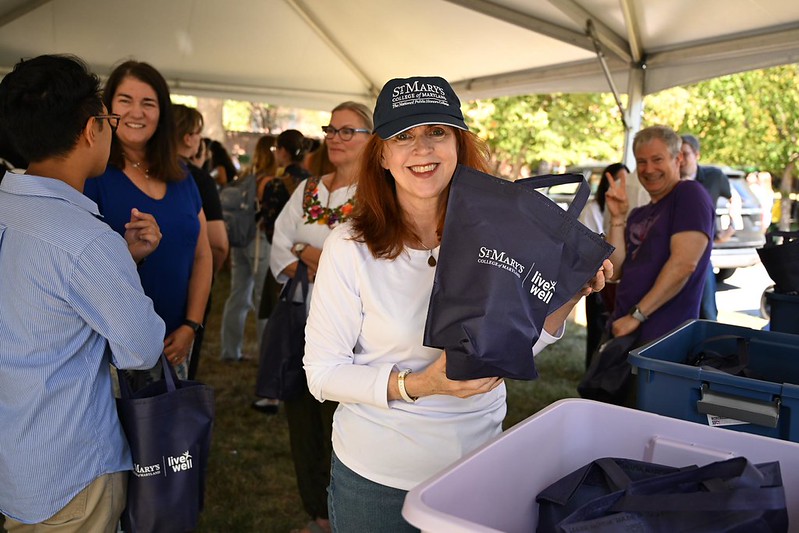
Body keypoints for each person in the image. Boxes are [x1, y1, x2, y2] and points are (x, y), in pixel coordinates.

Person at [303, 76, 610, 532]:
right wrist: (422, 384)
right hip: (378, 481)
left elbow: (511, 346)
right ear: (383, 155)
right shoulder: (349, 247)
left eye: (436, 132)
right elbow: (322, 375)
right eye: (403, 136)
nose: (421, 149)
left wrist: (568, 297)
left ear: (459, 145)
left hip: (478, 465)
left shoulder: (502, 236)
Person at [0, 54, 165, 531]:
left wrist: (119, 263)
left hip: (15, 458)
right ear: (93, 128)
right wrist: (120, 268)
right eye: (110, 118)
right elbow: (140, 348)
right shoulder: (86, 239)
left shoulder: (9, 204)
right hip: (68, 472)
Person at [269, 101, 373, 533]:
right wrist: (316, 256)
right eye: (331, 129)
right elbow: (279, 244)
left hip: (354, 331)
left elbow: (368, 259)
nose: (335, 137)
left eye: (348, 131)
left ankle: (344, 512)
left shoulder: (378, 194)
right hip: (299, 319)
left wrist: (309, 252)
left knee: (342, 419)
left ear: (372, 139)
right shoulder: (308, 189)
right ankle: (317, 512)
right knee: (302, 414)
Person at [84, 60, 213, 383]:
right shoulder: (93, 175)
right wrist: (130, 254)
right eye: (125, 101)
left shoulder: (183, 177)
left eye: (148, 103)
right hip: (113, 349)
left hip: (176, 342)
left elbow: (203, 254)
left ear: (162, 113)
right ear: (108, 107)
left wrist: (191, 325)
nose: (136, 112)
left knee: (171, 430)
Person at [605, 125, 714, 350]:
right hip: (626, 331)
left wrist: (637, 316)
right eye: (642, 161)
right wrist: (618, 218)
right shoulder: (638, 214)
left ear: (678, 159)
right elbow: (614, 272)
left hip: (662, 338)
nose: (649, 169)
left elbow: (684, 264)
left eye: (657, 159)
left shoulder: (689, 194)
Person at [173, 103, 229, 379]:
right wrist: (206, 276)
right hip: (186, 301)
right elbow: (218, 244)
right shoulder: (196, 179)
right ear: (187, 137)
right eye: (197, 133)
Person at [219, 135, 275, 362]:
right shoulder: (270, 180)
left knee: (237, 296)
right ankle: (266, 357)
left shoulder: (246, 174)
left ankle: (230, 352)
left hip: (239, 239)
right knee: (263, 300)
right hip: (259, 241)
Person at [579, 163, 628, 366]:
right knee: (597, 329)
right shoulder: (593, 209)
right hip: (597, 279)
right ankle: (591, 371)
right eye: (618, 181)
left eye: (627, 181)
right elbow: (585, 243)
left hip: (617, 282)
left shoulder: (628, 210)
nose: (622, 186)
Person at [680, 134, 732, 320]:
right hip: (672, 254)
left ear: (697, 155)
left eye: (685, 154)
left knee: (708, 311)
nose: (680, 159)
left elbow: (734, 199)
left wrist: (731, 227)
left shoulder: (714, 176)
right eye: (677, 154)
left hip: (703, 257)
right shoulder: (669, 179)